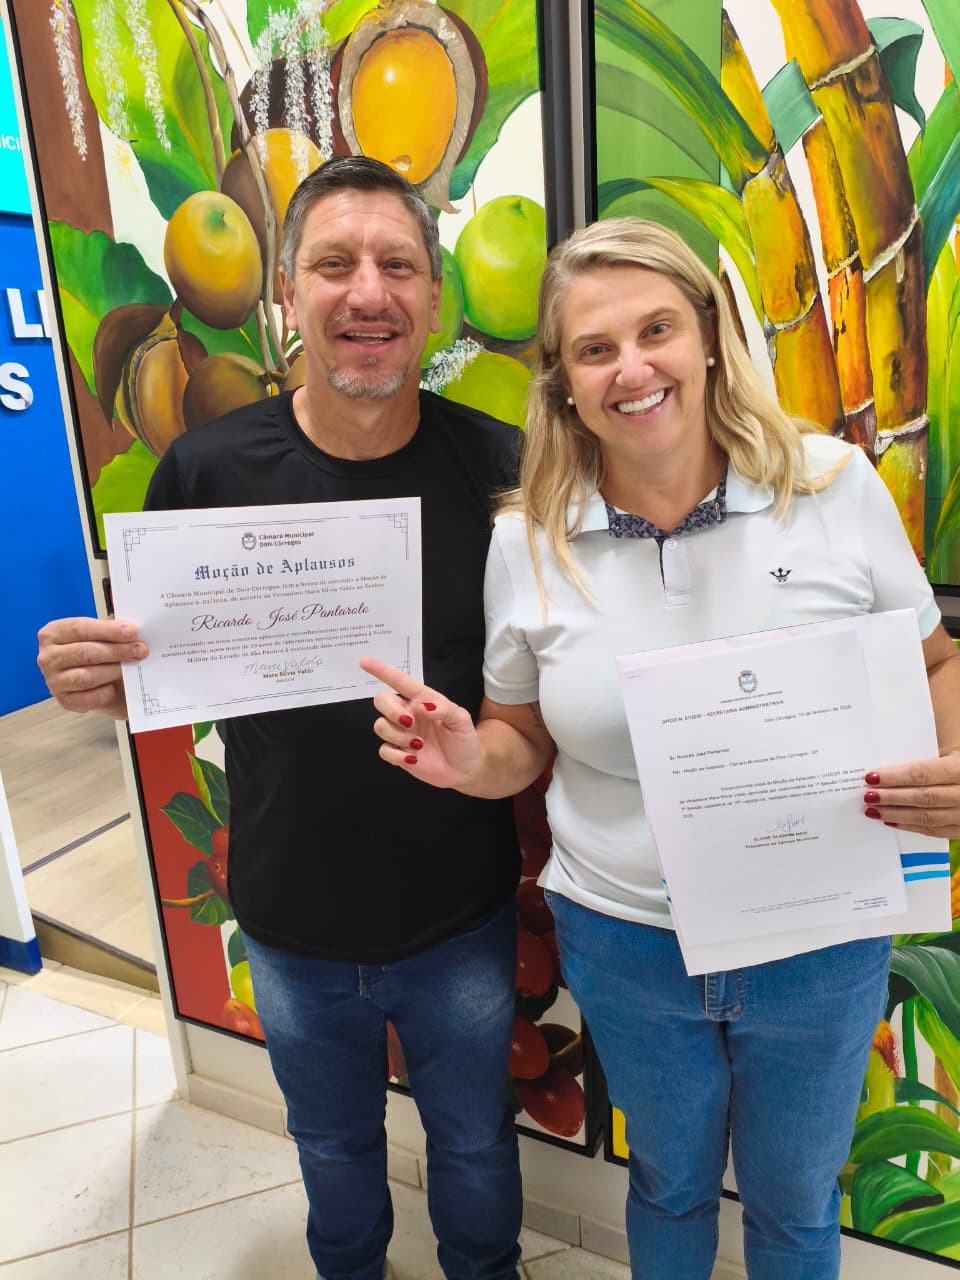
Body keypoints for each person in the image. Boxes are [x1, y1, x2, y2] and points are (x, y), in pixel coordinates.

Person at [362, 217, 960, 1280]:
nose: (632, 369)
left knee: (795, 1208)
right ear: (563, 383)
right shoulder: (527, 539)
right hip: (629, 941)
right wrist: (469, 761)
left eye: (656, 331)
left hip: (819, 938)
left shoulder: (831, 487)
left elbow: (938, 663)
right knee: (670, 1186)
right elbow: (520, 736)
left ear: (710, 338)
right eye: (595, 349)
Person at [37, 157, 525, 1280]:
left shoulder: (500, 471)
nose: (369, 293)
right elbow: (167, 671)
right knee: (332, 1149)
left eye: (397, 265)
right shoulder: (203, 469)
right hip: (290, 913)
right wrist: (105, 681)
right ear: (288, 293)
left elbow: (532, 700)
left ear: (434, 295)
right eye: (334, 264)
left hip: (458, 910)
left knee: (474, 1144)